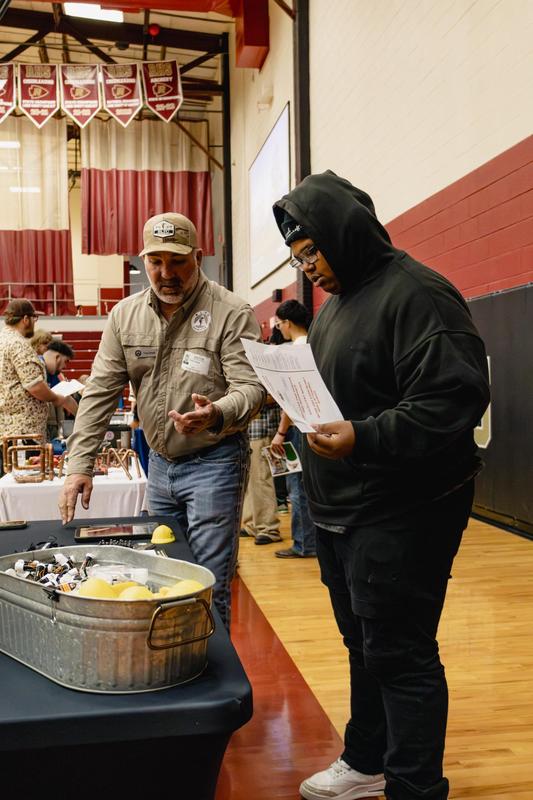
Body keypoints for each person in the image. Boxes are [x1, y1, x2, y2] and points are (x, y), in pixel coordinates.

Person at [272, 171, 490, 800]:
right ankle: (367, 760)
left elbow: (453, 401)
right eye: (298, 258)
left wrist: (363, 437)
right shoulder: (338, 303)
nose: (308, 269)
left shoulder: (419, 294)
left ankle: (415, 787)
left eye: (312, 252)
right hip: (342, 509)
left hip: (404, 509)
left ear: (343, 233)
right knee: (363, 645)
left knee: (400, 652)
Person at [58, 212, 265, 629]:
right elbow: (99, 393)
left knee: (207, 583)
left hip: (215, 463)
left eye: (178, 261)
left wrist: (216, 412)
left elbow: (252, 387)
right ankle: (171, 656)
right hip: (158, 465)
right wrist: (79, 465)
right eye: (155, 262)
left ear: (198, 258)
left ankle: (208, 665)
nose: (166, 273)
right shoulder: (125, 316)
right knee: (162, 577)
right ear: (143, 260)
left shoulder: (231, 312)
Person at [0, 299, 76, 473]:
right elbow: (34, 386)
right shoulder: (18, 344)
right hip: (23, 433)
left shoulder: (3, 340)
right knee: (24, 481)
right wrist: (56, 398)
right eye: (34, 318)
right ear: (25, 319)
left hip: (8, 429)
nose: (35, 323)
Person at [270, 300, 317, 559]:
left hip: (299, 426)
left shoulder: (294, 352)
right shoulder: (317, 343)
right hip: (320, 424)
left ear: (287, 323)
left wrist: (281, 431)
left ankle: (304, 544)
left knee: (297, 486)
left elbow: (292, 398)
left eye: (279, 324)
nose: (280, 329)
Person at [241, 398, 283, 544]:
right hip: (247, 430)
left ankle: (268, 528)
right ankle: (252, 524)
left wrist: (247, 397)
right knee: (249, 480)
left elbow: (272, 396)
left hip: (262, 429)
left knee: (261, 478)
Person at [42, 340, 76, 440]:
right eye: (65, 361)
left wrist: (82, 418)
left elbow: (66, 398)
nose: (65, 366)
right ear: (57, 357)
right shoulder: (37, 366)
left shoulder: (52, 374)